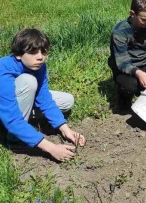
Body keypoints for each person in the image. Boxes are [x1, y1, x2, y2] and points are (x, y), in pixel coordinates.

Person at [0, 29, 86, 161]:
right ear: (18, 54)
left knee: (67, 100)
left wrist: (65, 129)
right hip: (6, 109)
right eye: (33, 52)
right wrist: (51, 148)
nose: (40, 57)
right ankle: (14, 139)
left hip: (18, 98)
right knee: (28, 81)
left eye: (44, 52)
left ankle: (25, 125)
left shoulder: (38, 66)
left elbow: (44, 99)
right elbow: (11, 118)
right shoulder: (4, 69)